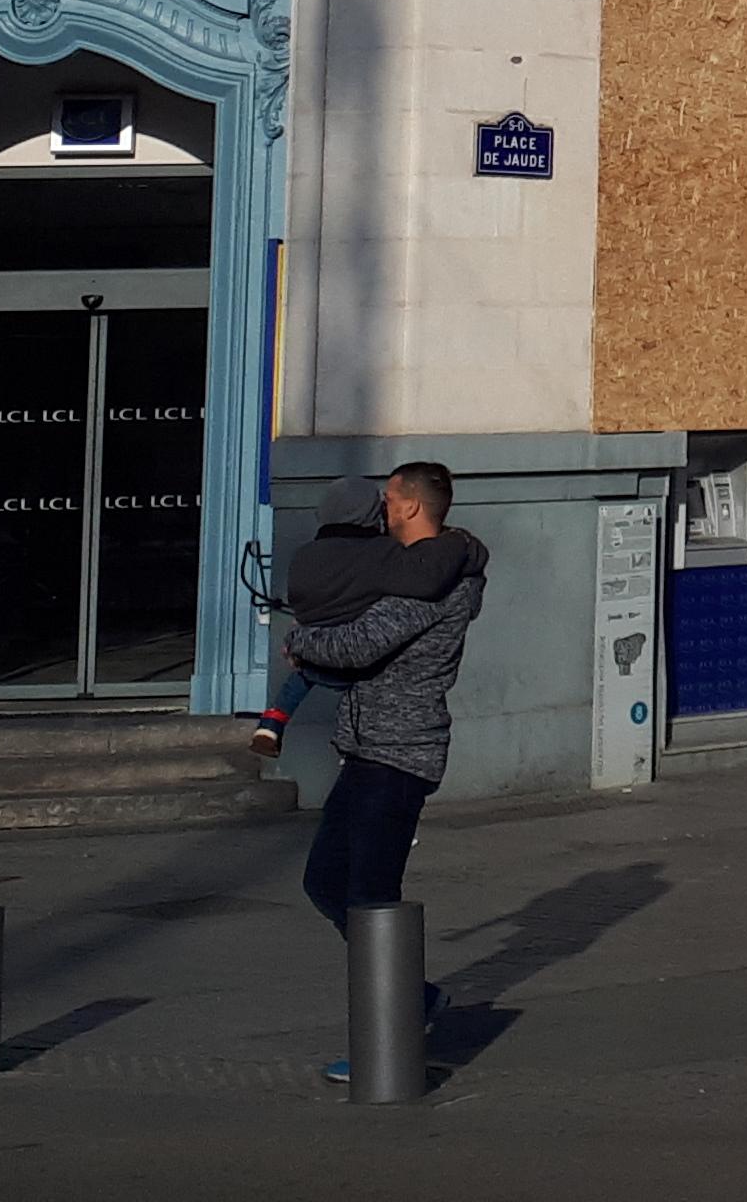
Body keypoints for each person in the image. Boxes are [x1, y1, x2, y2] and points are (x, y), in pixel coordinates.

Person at [289, 461, 483, 1081]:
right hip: (367, 749)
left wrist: (299, 643)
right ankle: (414, 998)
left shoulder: (435, 584)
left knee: (372, 898)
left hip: (400, 753)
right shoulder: (413, 571)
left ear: (407, 507)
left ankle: (388, 1045)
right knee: (325, 882)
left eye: (388, 501)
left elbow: (360, 644)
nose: (380, 512)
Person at [253, 474, 487, 759]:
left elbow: (315, 612)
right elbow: (361, 644)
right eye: (382, 503)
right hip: (381, 726)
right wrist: (462, 544)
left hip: (325, 671)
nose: (385, 510)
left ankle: (272, 724)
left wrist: (298, 637)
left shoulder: (306, 554)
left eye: (388, 501)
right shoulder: (387, 555)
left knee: (299, 679)